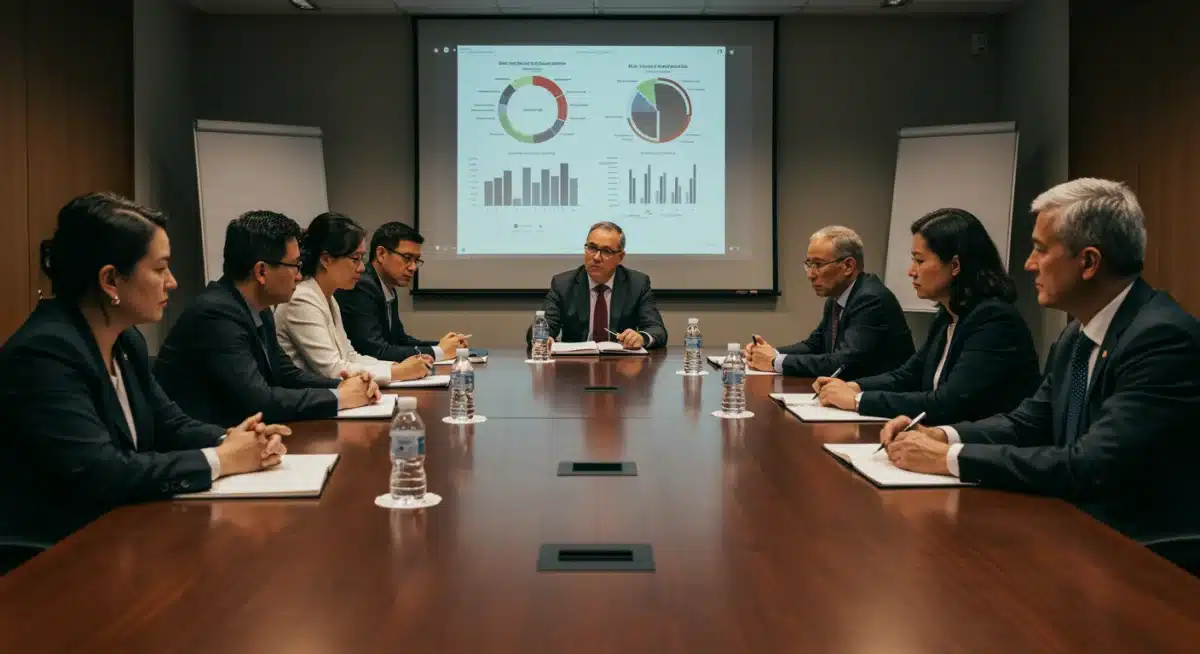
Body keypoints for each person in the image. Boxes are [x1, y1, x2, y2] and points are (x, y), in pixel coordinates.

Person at [880, 178, 1200, 544]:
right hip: (1075, 525)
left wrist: (949, 458)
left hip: (1140, 550)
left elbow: (1091, 464)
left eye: (1040, 250)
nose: (1029, 265)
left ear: (1089, 262)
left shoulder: (1161, 338)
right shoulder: (1075, 336)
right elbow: (1029, 423)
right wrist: (939, 434)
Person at [0, 192, 289, 546]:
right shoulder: (44, 353)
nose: (172, 282)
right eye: (160, 268)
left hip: (121, 531)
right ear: (110, 281)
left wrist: (232, 439)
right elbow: (101, 470)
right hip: (57, 555)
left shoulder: (126, 341)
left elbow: (170, 423)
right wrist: (220, 459)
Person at [812, 209, 1040, 424]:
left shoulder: (994, 321)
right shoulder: (947, 316)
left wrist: (857, 401)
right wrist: (853, 387)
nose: (911, 271)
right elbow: (909, 376)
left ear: (955, 265)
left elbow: (948, 402)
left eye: (919, 261)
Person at [154, 211, 381, 426]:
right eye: (295, 266)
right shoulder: (216, 314)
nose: (300, 275)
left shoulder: (259, 309)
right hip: (200, 445)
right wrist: (339, 397)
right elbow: (260, 400)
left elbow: (287, 375)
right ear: (261, 271)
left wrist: (345, 385)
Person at [275, 212, 432, 383]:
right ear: (326, 259)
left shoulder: (327, 297)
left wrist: (395, 367)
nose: (362, 268)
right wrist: (398, 372)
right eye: (355, 259)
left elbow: (350, 356)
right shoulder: (302, 299)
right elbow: (333, 369)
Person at [747, 226, 913, 378]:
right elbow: (815, 345)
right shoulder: (838, 297)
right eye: (809, 264)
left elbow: (842, 363)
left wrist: (775, 361)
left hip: (883, 400)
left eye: (818, 264)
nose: (810, 274)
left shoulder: (870, 299)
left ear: (848, 266)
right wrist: (770, 352)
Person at [336, 221, 467, 362]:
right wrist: (438, 351)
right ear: (381, 254)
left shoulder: (387, 286)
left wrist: (446, 346)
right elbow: (376, 351)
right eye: (407, 258)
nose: (413, 267)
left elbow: (399, 340)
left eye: (416, 260)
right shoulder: (361, 286)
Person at [526, 221, 667, 349]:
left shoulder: (637, 284)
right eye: (592, 248)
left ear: (620, 257)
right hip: (575, 369)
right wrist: (543, 338)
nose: (596, 257)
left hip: (622, 367)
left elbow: (656, 330)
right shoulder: (563, 284)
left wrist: (641, 338)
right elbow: (542, 326)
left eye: (606, 251)